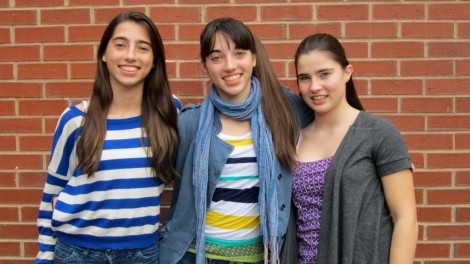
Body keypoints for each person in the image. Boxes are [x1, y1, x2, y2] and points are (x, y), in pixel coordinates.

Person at [35, 11, 180, 264]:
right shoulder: (75, 120)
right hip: (76, 253)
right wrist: (45, 257)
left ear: (155, 60)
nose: (130, 55)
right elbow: (52, 193)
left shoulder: (169, 112)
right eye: (120, 45)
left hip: (142, 253)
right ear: (104, 54)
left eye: (143, 47)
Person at [158, 17, 304, 264]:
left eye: (239, 53)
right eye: (216, 57)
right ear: (205, 65)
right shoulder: (189, 123)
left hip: (259, 257)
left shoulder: (286, 111)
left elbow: (332, 118)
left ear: (254, 58)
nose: (229, 66)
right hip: (192, 256)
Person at [291, 33, 418, 263]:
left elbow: (405, 218)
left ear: (347, 72)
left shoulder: (378, 133)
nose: (314, 86)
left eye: (324, 74)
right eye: (304, 78)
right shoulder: (294, 138)